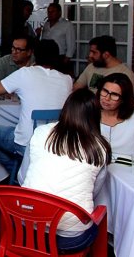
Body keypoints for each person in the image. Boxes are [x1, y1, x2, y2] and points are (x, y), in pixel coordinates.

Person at [21, 89, 111, 250]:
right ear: (95, 116)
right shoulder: (100, 148)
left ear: (65, 110)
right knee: (95, 229)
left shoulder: (40, 132)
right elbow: (94, 191)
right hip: (69, 238)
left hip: (27, 227)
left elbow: (22, 177)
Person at [0, 40, 73, 176]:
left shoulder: (25, 73)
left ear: (34, 55)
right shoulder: (67, 79)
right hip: (55, 145)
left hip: (26, 145)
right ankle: (23, 171)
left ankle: (17, 171)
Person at [40, 3, 75, 69]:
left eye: (53, 11)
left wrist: (66, 59)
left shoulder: (67, 24)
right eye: (48, 12)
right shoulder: (46, 24)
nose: (50, 14)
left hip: (59, 57)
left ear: (59, 12)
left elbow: (71, 44)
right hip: (45, 57)